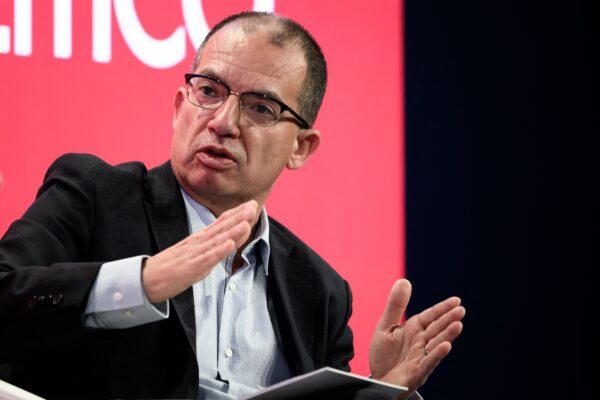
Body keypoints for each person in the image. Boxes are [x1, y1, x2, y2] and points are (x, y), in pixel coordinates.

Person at [0, 12, 465, 400]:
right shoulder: (96, 196)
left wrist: (377, 392)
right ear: (180, 105)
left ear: (301, 147)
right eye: (209, 91)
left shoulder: (319, 291)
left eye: (260, 108)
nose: (222, 122)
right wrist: (142, 283)